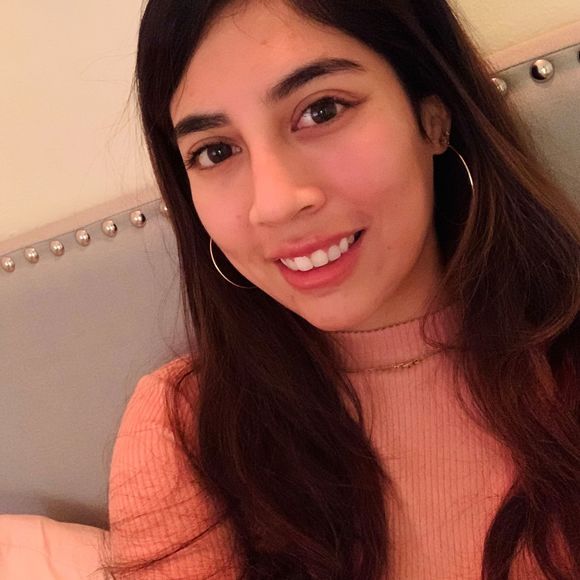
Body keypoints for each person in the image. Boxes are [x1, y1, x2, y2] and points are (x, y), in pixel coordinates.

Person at [99, 0, 580, 578]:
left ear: (433, 117)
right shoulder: (186, 426)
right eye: (215, 151)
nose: (274, 203)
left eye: (322, 110)